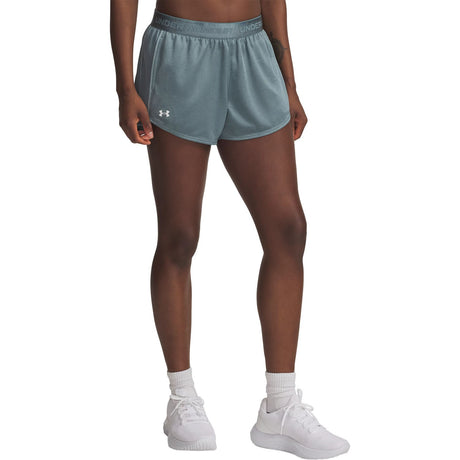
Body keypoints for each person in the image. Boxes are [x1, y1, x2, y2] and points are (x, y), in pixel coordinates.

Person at [110, 0, 350, 457]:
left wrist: (289, 82)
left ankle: (280, 406)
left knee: (287, 228)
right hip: (179, 52)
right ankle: (182, 398)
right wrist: (125, 86)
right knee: (180, 236)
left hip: (254, 51)